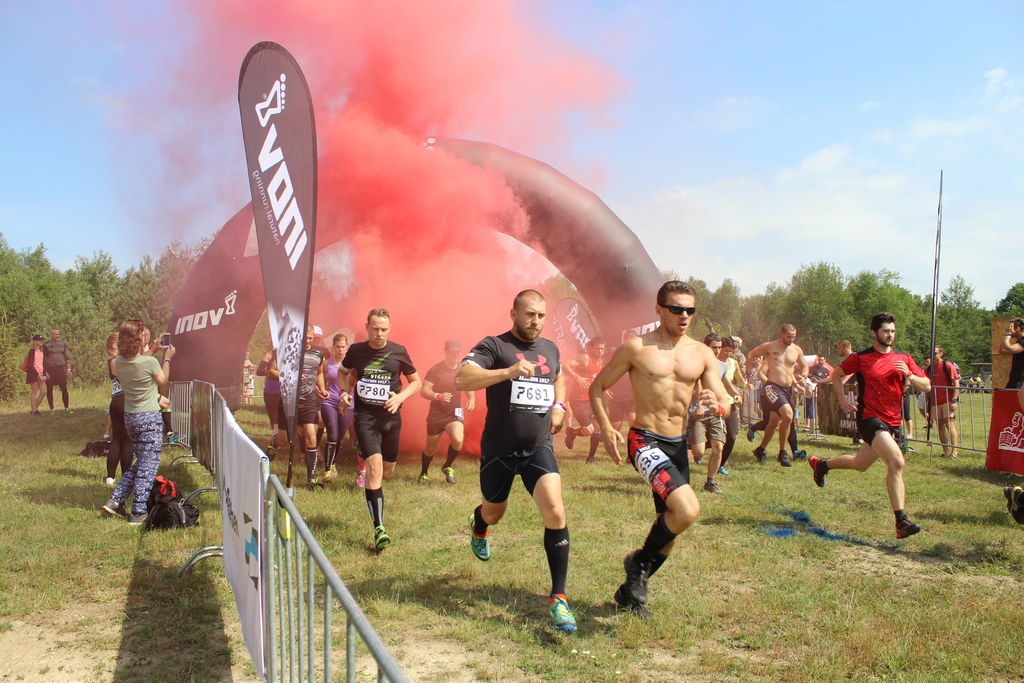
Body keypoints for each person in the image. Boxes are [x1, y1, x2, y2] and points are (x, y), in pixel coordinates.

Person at [590, 281, 731, 620]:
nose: (684, 316)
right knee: (687, 509)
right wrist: (606, 427)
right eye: (677, 309)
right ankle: (638, 564)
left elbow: (724, 399)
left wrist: (717, 404)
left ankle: (630, 593)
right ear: (659, 309)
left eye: (690, 310)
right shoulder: (636, 348)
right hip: (644, 440)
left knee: (670, 528)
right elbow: (597, 387)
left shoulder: (702, 353)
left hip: (677, 444)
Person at [455, 290, 575, 631]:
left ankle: (559, 598)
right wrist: (508, 372)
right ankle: (479, 525)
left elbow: (559, 376)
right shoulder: (495, 346)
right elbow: (462, 378)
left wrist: (559, 406)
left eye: (541, 315)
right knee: (494, 513)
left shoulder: (550, 348)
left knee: (555, 510)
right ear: (514, 314)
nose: (535, 321)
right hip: (499, 450)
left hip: (538, 447)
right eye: (529, 314)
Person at [809, 312, 930, 539]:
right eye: (885, 331)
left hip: (893, 421)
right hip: (869, 418)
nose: (890, 335)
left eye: (892, 331)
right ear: (874, 333)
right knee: (896, 461)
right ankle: (901, 521)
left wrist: (911, 377)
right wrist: (842, 399)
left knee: (860, 464)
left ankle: (822, 465)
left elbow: (927, 385)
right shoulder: (861, 358)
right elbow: (837, 375)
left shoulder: (904, 358)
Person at [340, 309, 421, 550]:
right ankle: (379, 528)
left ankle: (364, 448)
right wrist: (344, 393)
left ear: (390, 328)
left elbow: (416, 382)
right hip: (365, 417)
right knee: (374, 469)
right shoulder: (356, 351)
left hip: (391, 417)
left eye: (384, 329)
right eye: (375, 329)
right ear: (367, 327)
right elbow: (343, 373)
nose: (379, 333)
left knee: (386, 472)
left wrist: (400, 397)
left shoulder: (399, 351)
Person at [102, 321, 175, 525]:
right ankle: (139, 511)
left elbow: (138, 361)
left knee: (143, 461)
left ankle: (115, 501)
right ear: (138, 340)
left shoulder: (118, 362)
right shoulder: (149, 362)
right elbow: (163, 380)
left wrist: (153, 348)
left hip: (131, 417)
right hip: (149, 417)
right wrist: (166, 358)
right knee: (148, 466)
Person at [745, 325, 810, 466]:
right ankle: (783, 453)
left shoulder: (796, 349)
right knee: (788, 415)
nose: (791, 339)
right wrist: (749, 374)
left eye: (793, 337)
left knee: (774, 422)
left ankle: (761, 449)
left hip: (788, 389)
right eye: (788, 336)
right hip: (772, 387)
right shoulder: (770, 346)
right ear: (781, 334)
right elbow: (750, 355)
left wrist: (804, 377)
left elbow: (804, 365)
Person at [419, 339, 476, 484]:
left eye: (458, 352)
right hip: (436, 415)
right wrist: (438, 396)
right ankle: (424, 472)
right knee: (430, 448)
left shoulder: (462, 370)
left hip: (454, 414)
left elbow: (468, 386)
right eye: (452, 352)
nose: (455, 355)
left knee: (458, 439)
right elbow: (424, 391)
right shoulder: (436, 370)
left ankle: (448, 466)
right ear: (445, 352)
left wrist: (471, 398)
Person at [689, 334, 740, 494]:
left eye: (719, 347)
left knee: (718, 447)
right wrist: (699, 405)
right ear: (706, 347)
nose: (717, 350)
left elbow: (727, 384)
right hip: (699, 414)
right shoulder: (697, 363)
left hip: (716, 413)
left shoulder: (722, 366)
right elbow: (697, 386)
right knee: (698, 451)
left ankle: (710, 482)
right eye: (714, 347)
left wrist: (737, 394)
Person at [294, 324, 330, 487]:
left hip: (310, 399)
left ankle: (311, 479)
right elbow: (276, 371)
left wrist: (322, 389)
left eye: (310, 338)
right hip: (292, 399)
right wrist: (293, 374)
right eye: (305, 338)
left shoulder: (318, 352)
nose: (308, 341)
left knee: (312, 435)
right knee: (285, 438)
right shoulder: (291, 351)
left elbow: (319, 372)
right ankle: (275, 444)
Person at [563, 337, 608, 464]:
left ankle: (591, 458)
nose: (600, 351)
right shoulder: (584, 358)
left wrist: (604, 389)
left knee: (597, 426)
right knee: (588, 430)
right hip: (578, 400)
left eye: (602, 349)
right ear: (591, 348)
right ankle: (571, 433)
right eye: (598, 348)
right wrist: (576, 377)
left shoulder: (600, 360)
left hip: (591, 399)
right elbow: (565, 365)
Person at [321, 333, 356, 484]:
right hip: (330, 402)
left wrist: (348, 396)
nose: (341, 350)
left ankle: (333, 463)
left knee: (340, 438)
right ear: (333, 348)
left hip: (348, 402)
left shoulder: (352, 364)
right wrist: (322, 389)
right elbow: (319, 376)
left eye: (343, 347)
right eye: (338, 347)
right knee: (332, 435)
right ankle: (327, 470)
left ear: (347, 347)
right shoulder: (326, 364)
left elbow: (355, 381)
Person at [104, 332, 134, 486]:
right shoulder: (116, 360)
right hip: (124, 400)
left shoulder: (114, 360)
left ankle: (111, 476)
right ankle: (124, 477)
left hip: (117, 400)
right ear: (115, 344)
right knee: (126, 439)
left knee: (118, 439)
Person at [715, 336, 745, 476]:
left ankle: (720, 465)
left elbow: (736, 381)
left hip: (730, 403)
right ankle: (698, 448)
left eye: (731, 351)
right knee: (714, 438)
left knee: (732, 436)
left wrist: (738, 393)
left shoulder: (733, 363)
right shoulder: (711, 363)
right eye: (726, 350)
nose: (729, 353)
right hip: (714, 404)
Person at [924, 346, 960, 458]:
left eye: (934, 353)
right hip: (935, 401)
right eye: (930, 353)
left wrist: (954, 400)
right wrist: (927, 403)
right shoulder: (929, 369)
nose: (932, 356)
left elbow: (956, 383)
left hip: (947, 399)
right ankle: (946, 452)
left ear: (941, 354)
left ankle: (954, 452)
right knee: (940, 425)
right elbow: (927, 386)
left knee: (949, 423)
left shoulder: (947, 365)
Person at [256, 348, 281, 459]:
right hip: (270, 391)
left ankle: (273, 447)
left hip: (284, 391)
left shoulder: (292, 353)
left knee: (277, 419)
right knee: (273, 420)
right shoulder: (270, 355)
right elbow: (259, 371)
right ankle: (277, 440)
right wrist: (274, 373)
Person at [42, 328, 72, 413]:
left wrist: (68, 368)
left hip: (60, 368)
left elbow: (67, 357)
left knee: (64, 388)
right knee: (50, 388)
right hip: (50, 368)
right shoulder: (46, 345)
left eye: (58, 334)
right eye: (55, 334)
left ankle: (66, 408)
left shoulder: (63, 344)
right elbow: (43, 359)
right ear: (50, 335)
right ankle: (52, 408)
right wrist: (45, 371)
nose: (57, 336)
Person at [24, 334, 47, 415]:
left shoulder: (42, 351)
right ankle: (34, 410)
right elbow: (30, 365)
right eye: (40, 340)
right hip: (33, 373)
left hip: (41, 373)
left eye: (42, 340)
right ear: (35, 341)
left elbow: (44, 363)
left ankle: (34, 408)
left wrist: (44, 374)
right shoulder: (32, 351)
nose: (41, 341)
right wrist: (37, 374)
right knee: (34, 391)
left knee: (43, 392)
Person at [999, 318, 1024, 389]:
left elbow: (1009, 348)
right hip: (1014, 380)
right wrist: (1006, 335)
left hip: (1021, 382)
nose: (1008, 329)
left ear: (1018, 329)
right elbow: (1002, 350)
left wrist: (1008, 334)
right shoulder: (1020, 342)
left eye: (1011, 327)